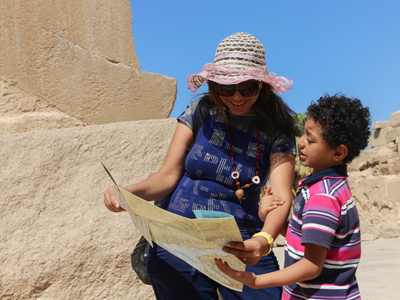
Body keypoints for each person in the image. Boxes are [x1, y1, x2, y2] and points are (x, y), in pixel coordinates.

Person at [104, 32, 299, 300]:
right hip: (179, 240)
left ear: (262, 86)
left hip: (242, 242)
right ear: (214, 86)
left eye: (248, 87)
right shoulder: (200, 110)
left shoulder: (277, 126)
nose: (237, 96)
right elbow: (168, 175)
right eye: (227, 88)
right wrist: (126, 193)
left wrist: (263, 241)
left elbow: (279, 197)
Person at [215, 94, 371, 300]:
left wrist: (257, 281)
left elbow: (311, 266)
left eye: (311, 139)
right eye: (304, 134)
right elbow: (306, 239)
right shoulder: (331, 186)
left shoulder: (323, 196)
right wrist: (270, 220)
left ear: (338, 152)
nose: (302, 142)